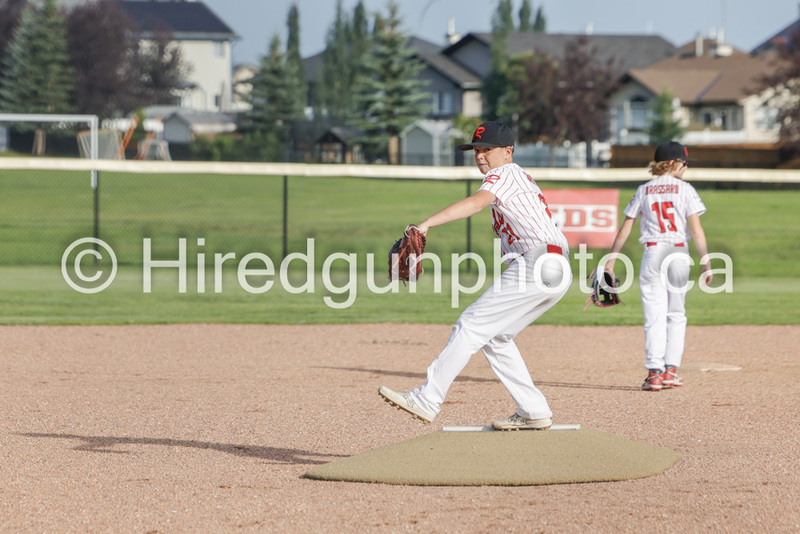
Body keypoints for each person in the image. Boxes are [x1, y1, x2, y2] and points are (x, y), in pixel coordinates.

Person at [378, 121, 572, 430]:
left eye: (487, 149)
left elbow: (475, 203)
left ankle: (428, 398)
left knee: (470, 325)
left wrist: (426, 223)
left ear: (507, 152)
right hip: (556, 268)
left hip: (537, 263)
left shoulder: (505, 173)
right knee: (496, 337)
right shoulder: (520, 178)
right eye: (476, 150)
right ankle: (534, 410)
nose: (480, 156)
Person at [604, 141, 713, 391]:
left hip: (652, 252)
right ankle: (670, 371)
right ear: (673, 163)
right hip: (677, 252)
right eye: (684, 163)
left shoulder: (644, 190)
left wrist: (611, 260)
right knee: (676, 314)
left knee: (653, 315)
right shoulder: (685, 189)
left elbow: (626, 228)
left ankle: (654, 373)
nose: (686, 167)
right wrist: (706, 262)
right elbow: (696, 230)